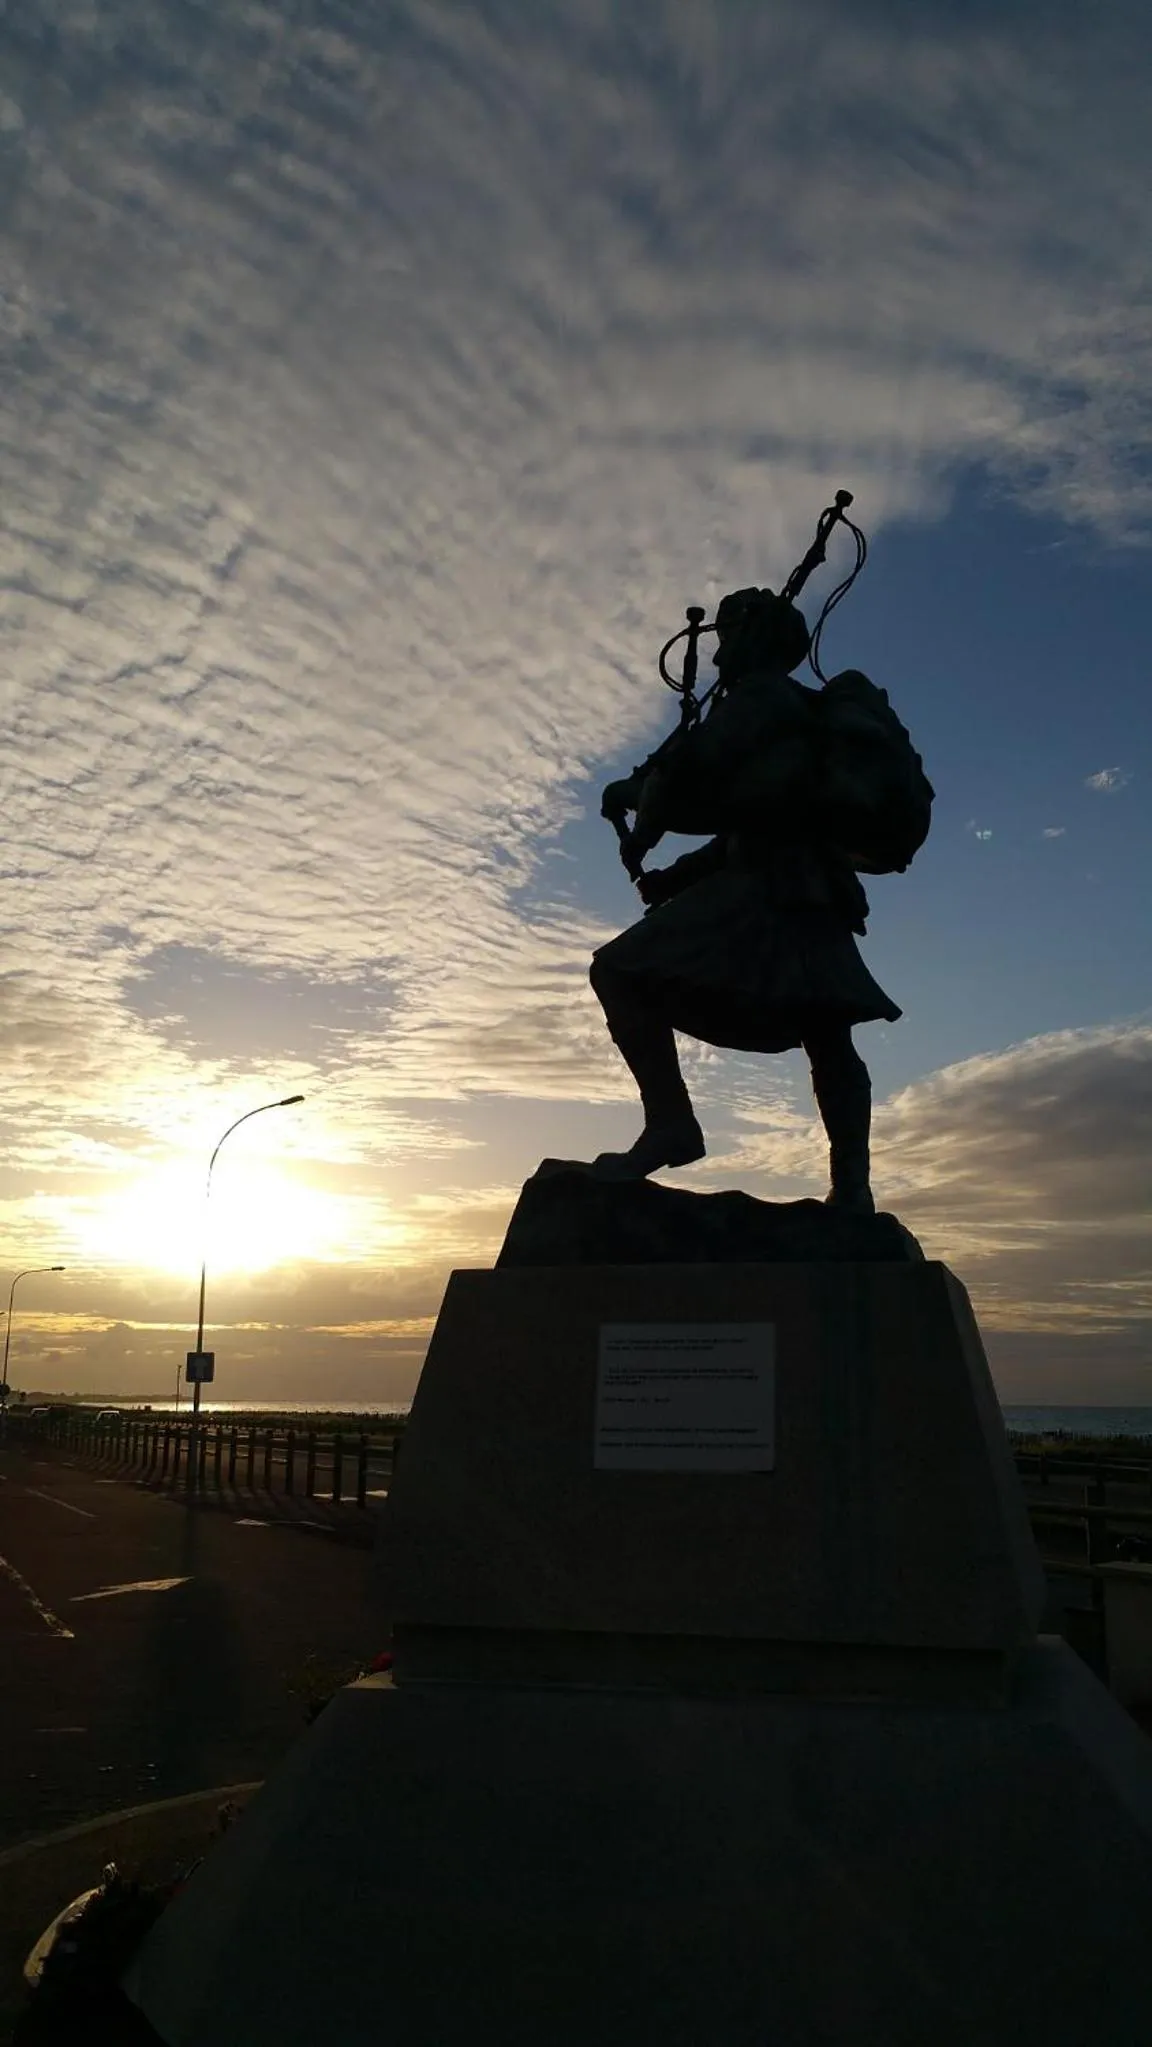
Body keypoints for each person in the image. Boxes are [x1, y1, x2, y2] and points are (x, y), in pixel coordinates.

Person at [589, 585, 913, 1213]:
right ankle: (852, 1188)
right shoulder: (789, 712)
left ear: (753, 640)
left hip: (772, 888)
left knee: (619, 972)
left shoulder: (762, 699)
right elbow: (754, 817)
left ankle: (671, 1124)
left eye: (726, 639)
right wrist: (675, 878)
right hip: (807, 887)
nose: (715, 658)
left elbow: (694, 780)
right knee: (827, 1034)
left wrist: (630, 792)